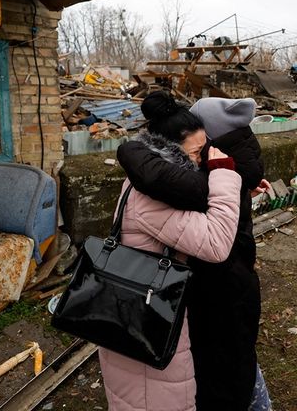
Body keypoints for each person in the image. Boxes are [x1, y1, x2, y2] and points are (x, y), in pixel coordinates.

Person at [117, 96, 271, 410]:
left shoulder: (166, 185)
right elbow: (215, 243)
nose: (203, 162)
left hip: (158, 300)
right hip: (150, 309)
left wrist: (239, 191)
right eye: (197, 153)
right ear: (173, 150)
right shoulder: (155, 198)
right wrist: (226, 176)